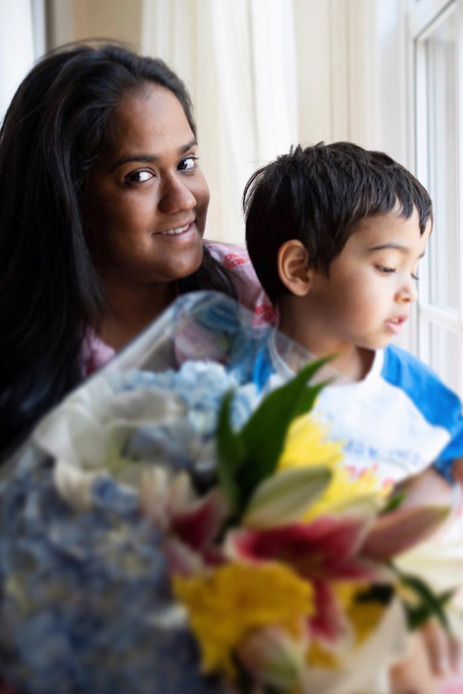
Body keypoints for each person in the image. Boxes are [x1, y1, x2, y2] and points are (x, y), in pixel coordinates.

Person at [242, 141, 463, 692]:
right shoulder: (242, 385)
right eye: (388, 267)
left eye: (414, 269)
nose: (409, 291)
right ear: (299, 268)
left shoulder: (409, 389)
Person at [0, 43, 274, 461]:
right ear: (67, 198)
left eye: (186, 163)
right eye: (140, 176)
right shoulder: (17, 351)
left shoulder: (261, 298)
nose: (182, 199)